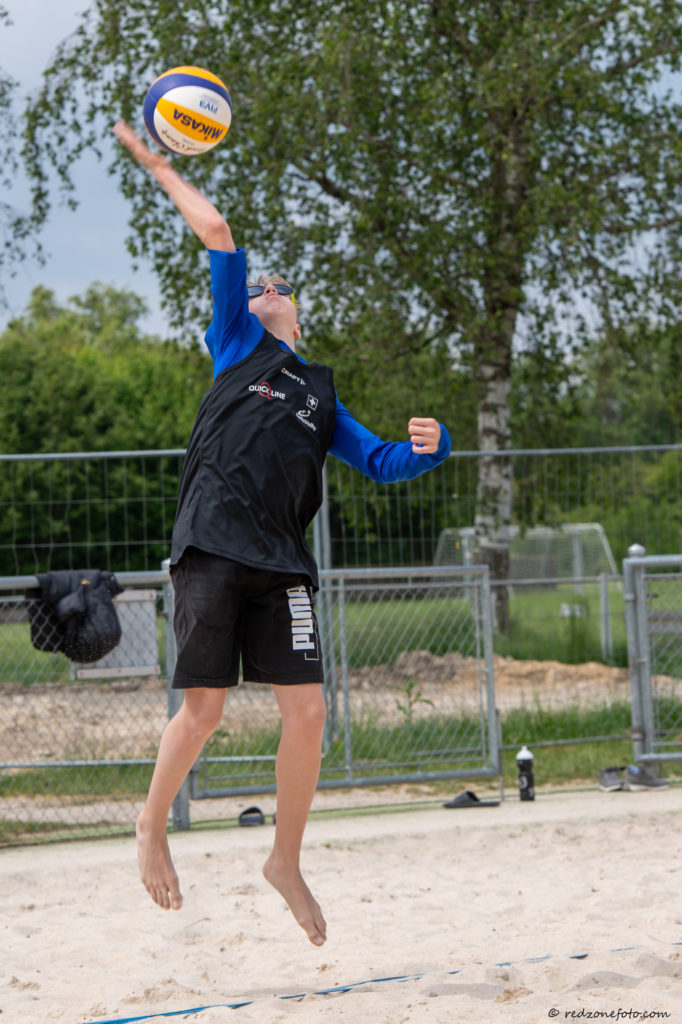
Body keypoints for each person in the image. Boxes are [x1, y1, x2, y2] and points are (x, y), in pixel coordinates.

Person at [113, 120, 452, 947]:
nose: (265, 286)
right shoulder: (235, 343)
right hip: (211, 544)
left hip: (282, 563)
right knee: (203, 712)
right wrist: (159, 165)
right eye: (257, 284)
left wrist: (432, 449)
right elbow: (217, 231)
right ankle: (151, 824)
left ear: (298, 319)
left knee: (308, 712)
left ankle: (285, 860)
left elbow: (381, 461)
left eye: (279, 286)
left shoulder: (320, 394)